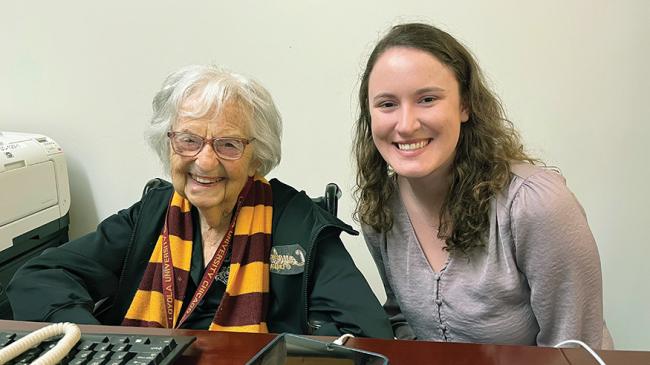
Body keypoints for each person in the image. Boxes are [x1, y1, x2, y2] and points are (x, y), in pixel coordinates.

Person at [7, 65, 393, 338]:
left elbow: (368, 332)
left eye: (228, 144)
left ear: (256, 156)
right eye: (189, 140)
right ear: (169, 143)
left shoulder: (298, 223)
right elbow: (38, 278)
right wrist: (105, 344)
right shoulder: (152, 214)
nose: (204, 161)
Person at [353, 23, 611, 348]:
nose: (406, 125)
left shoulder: (536, 205)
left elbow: (576, 351)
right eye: (387, 104)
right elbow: (402, 320)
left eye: (427, 99)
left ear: (465, 105)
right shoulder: (379, 211)